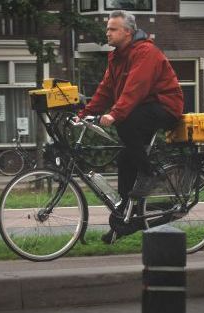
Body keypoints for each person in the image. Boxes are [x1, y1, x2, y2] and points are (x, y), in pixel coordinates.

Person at [78, 10, 184, 244]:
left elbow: (135, 88)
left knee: (126, 121)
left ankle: (150, 173)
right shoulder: (117, 56)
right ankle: (122, 222)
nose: (108, 32)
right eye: (107, 28)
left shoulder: (145, 52)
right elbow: (106, 89)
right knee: (126, 160)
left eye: (112, 29)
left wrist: (115, 114)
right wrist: (83, 114)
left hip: (165, 106)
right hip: (142, 110)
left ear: (128, 31)